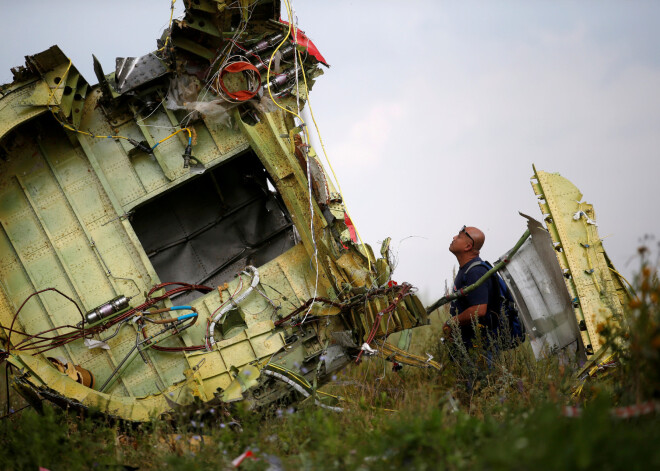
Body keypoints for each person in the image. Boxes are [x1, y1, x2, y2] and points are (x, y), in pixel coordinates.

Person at [443, 225, 501, 350]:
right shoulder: (467, 269)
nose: (454, 237)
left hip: (479, 348)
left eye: (459, 236)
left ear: (468, 246)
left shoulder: (476, 272)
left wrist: (451, 322)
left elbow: (479, 309)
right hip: (468, 344)